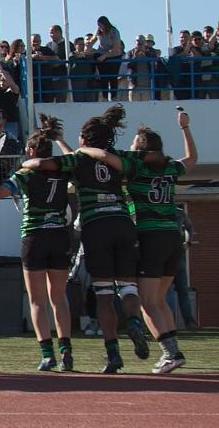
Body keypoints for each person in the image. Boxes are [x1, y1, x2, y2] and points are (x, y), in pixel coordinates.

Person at [67, 110, 198, 374]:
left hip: (150, 236)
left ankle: (171, 353)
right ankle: (171, 351)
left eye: (134, 144)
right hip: (173, 237)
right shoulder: (170, 167)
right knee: (160, 299)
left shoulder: (136, 166)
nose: (129, 147)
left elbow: (105, 157)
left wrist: (84, 150)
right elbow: (193, 159)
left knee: (148, 302)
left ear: (141, 149)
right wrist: (185, 128)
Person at [22, 107, 146, 373]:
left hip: (96, 226)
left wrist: (26, 163)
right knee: (128, 287)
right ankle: (134, 321)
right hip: (123, 223)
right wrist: (60, 140)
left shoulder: (78, 160)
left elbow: (48, 164)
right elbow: (131, 165)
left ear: (86, 139)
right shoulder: (117, 157)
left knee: (103, 294)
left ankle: (112, 353)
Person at [0, 115, 76, 370]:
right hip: (59, 234)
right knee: (58, 297)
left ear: (32, 150)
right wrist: (60, 140)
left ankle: (47, 353)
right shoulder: (64, 166)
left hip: (35, 236)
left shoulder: (25, 173)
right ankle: (66, 351)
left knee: (37, 300)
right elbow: (75, 156)